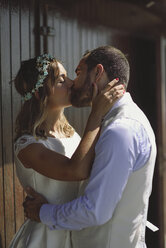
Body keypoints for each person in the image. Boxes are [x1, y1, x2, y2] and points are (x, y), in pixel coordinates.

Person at [23, 46, 157, 248]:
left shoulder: (120, 130)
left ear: (98, 72)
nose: (72, 83)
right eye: (62, 79)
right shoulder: (118, 122)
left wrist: (43, 212)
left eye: (78, 73)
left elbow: (95, 210)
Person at [9, 53, 124, 248]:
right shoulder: (27, 145)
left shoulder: (72, 134)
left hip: (76, 232)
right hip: (45, 238)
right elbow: (75, 170)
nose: (72, 83)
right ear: (39, 93)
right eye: (62, 80)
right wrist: (96, 113)